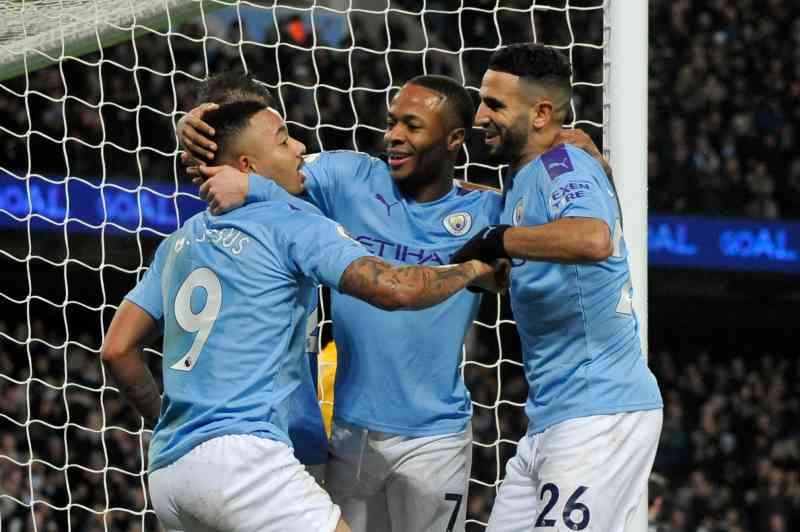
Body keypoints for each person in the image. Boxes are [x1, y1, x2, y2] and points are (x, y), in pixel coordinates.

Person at [178, 72, 609, 532]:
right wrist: (195, 131)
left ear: (455, 138)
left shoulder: (489, 212)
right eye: (392, 122)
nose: (394, 137)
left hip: (435, 441)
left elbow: (567, 226)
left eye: (412, 125)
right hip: (347, 434)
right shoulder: (346, 177)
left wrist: (590, 162)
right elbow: (259, 162)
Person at [100, 82, 499, 532]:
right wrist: (471, 271)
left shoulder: (182, 238)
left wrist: (169, 422)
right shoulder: (309, 211)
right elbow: (394, 288)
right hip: (270, 447)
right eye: (284, 137)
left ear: (454, 138)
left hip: (179, 460)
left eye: (412, 124)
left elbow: (116, 349)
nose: (300, 147)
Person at [451, 43, 663, 531]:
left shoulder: (565, 166)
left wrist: (499, 238)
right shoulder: (526, 179)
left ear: (543, 112)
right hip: (551, 418)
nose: (481, 113)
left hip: (598, 415)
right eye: (483, 100)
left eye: (496, 105)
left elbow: (593, 238)